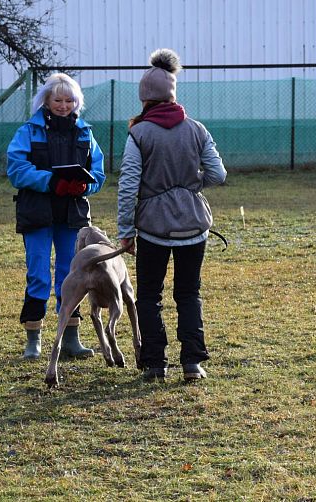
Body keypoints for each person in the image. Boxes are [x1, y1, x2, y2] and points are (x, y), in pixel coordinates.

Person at [117, 49, 227, 382]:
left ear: (144, 98)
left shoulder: (139, 134)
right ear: (172, 93)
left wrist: (126, 230)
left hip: (152, 229)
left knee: (150, 295)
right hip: (195, 227)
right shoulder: (196, 128)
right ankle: (193, 363)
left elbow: (128, 185)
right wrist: (191, 188)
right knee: (189, 293)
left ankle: (155, 365)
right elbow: (218, 174)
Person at [7, 73, 106, 359]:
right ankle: (33, 338)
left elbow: (98, 172)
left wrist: (86, 184)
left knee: (71, 275)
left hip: (71, 215)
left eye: (69, 100)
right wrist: (51, 182)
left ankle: (70, 338)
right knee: (38, 274)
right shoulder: (28, 131)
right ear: (46, 101)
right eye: (58, 100)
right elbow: (16, 169)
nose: (64, 105)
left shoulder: (86, 132)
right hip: (37, 213)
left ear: (77, 102)